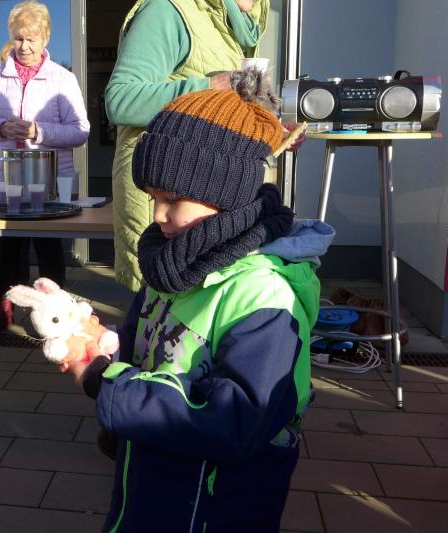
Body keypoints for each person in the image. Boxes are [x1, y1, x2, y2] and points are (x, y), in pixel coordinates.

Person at [61, 77, 331, 531]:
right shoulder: (173, 263)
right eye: (152, 198)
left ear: (227, 194)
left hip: (215, 504)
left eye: (172, 199)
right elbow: (143, 346)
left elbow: (238, 418)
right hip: (157, 482)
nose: (157, 216)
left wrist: (108, 385)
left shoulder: (264, 297)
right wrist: (104, 345)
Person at [105, 0, 304, 291]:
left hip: (206, 207)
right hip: (165, 183)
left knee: (214, 296)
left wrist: (271, 132)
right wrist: (211, 87)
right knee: (159, 300)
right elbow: (120, 99)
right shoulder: (168, 10)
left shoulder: (242, 28)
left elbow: (220, 124)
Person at [0, 0, 89, 336]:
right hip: (5, 175)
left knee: (48, 248)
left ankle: (56, 322)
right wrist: (1, 128)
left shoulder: (62, 78)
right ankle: (5, 315)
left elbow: (81, 131)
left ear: (45, 38)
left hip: (48, 175)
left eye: (32, 39)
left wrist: (39, 131)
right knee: (9, 248)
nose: (24, 46)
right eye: (19, 38)